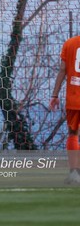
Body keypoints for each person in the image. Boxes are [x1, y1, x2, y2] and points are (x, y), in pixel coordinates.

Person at [49, 34, 80, 184]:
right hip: (74, 99)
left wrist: (54, 94)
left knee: (73, 133)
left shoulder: (70, 43)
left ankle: (74, 173)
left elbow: (62, 70)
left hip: (74, 98)